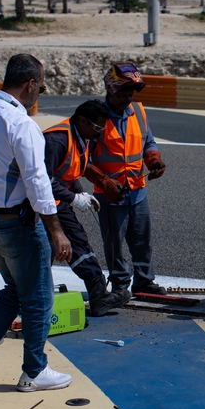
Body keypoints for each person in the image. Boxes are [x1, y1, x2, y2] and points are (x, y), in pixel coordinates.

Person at [0, 54, 73, 392]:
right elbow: (37, 181)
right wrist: (56, 230)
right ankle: (35, 372)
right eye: (42, 87)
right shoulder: (21, 124)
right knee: (38, 297)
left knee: (15, 289)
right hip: (15, 223)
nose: (40, 95)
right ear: (30, 85)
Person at [84, 62, 167, 297]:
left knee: (142, 240)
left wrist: (154, 161)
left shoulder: (138, 112)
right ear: (111, 89)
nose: (128, 97)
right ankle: (120, 283)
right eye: (123, 92)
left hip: (138, 190)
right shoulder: (95, 117)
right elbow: (83, 160)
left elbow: (148, 142)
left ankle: (144, 281)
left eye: (131, 92)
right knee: (114, 244)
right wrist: (104, 182)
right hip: (110, 195)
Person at [43, 100, 131, 316]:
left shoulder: (82, 137)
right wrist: (73, 198)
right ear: (82, 120)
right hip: (42, 204)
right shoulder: (56, 140)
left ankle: (99, 295)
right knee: (49, 249)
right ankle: (33, 296)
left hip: (58, 201)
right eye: (98, 127)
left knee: (77, 242)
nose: (100, 133)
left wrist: (81, 192)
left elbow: (71, 168)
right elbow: (42, 182)